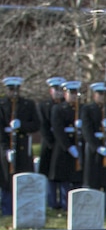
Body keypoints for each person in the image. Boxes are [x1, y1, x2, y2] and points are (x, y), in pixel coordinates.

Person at [0, 76, 41, 214]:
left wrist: (21, 125)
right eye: (11, 89)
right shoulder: (2, 104)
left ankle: (24, 207)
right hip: (6, 144)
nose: (14, 92)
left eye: (16, 89)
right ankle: (7, 208)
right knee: (6, 178)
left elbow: (36, 124)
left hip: (23, 145)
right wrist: (5, 149)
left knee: (24, 176)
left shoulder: (27, 104)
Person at [80, 81, 106, 213]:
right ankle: (93, 206)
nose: (102, 96)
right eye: (100, 94)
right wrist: (96, 147)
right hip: (95, 147)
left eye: (105, 94)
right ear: (94, 95)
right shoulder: (87, 109)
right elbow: (86, 130)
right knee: (93, 178)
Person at [50, 80, 83, 208]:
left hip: (78, 143)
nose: (74, 96)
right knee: (64, 177)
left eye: (75, 93)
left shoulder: (82, 109)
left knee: (77, 177)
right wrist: (69, 147)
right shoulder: (58, 109)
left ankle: (76, 204)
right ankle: (64, 204)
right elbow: (58, 130)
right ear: (65, 94)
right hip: (64, 147)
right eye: (71, 93)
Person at [39, 76, 67, 209]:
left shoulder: (67, 106)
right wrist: (51, 142)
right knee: (49, 174)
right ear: (50, 91)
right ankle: (51, 202)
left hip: (64, 144)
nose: (59, 92)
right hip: (50, 143)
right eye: (56, 89)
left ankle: (64, 201)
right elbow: (43, 125)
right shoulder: (44, 106)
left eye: (61, 89)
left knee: (63, 174)